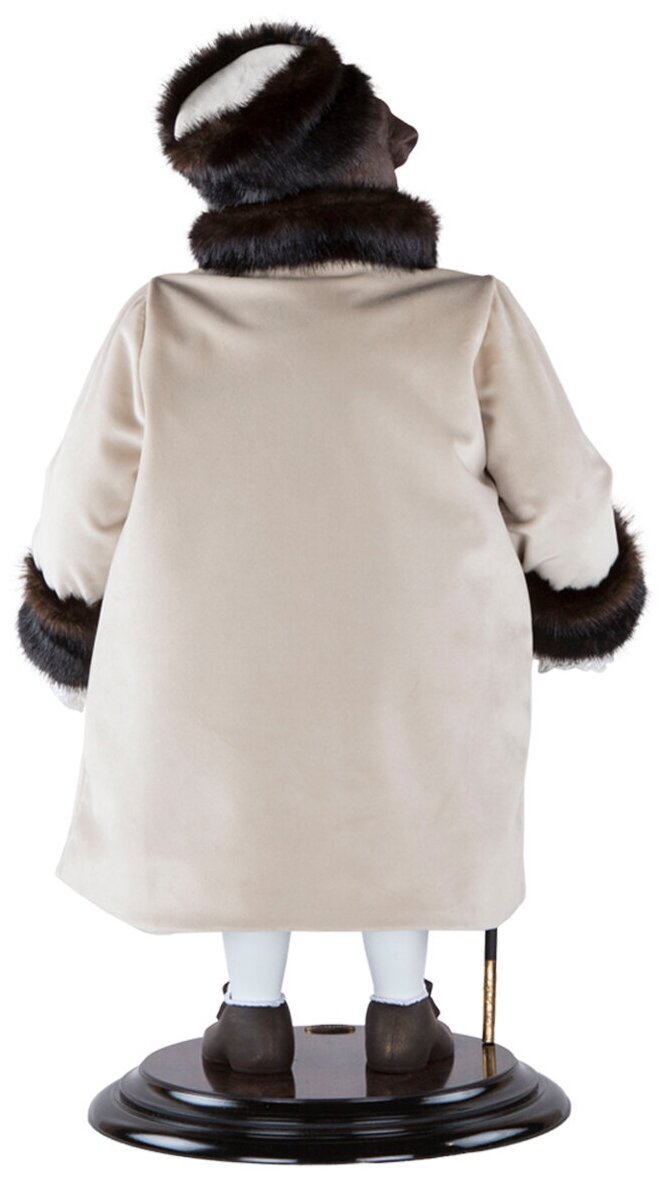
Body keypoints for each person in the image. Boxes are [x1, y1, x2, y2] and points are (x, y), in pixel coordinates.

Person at [16, 20, 647, 1074]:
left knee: (244, 819)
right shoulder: (466, 313)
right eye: (375, 124)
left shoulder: (162, 320)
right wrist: (581, 587)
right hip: (420, 654)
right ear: (339, 157)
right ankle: (402, 1014)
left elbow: (83, 493)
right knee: (406, 811)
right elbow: (557, 481)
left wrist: (70, 617)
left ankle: (250, 1015)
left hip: (217, 664)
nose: (405, 138)